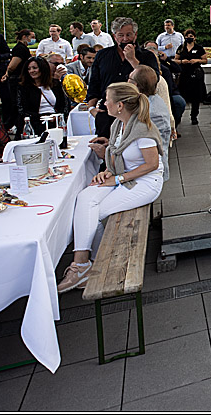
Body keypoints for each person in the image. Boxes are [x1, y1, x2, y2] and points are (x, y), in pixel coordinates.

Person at [59, 83, 164, 293]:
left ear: (120, 105)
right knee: (85, 197)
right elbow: (117, 153)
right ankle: (88, 264)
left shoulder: (142, 129)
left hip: (145, 182)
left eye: (107, 99)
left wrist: (117, 179)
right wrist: (108, 170)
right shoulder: (119, 124)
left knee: (94, 212)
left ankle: (84, 265)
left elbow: (152, 165)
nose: (103, 103)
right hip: (122, 176)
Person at [86, 17, 161, 138]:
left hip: (136, 111)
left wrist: (132, 60)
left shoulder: (147, 56)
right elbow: (94, 83)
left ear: (135, 35)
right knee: (105, 148)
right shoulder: (102, 55)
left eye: (129, 35)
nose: (125, 39)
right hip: (108, 112)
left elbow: (153, 81)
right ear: (114, 36)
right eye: (121, 35)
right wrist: (91, 109)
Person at [128, 66, 172, 182]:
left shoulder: (151, 111)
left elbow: (146, 143)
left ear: (136, 84)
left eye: (129, 79)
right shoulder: (147, 101)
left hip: (149, 173)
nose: (126, 81)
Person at [17, 57, 67, 135]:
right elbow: (22, 109)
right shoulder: (24, 88)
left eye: (34, 68)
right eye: (29, 69)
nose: (31, 71)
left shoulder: (54, 84)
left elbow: (63, 104)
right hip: (35, 124)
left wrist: (57, 116)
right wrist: (41, 118)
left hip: (55, 122)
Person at [144, 42, 186, 128]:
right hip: (148, 92)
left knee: (179, 103)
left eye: (154, 49)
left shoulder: (163, 65)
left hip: (169, 91)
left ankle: (174, 124)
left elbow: (178, 69)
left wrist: (167, 59)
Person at [173, 28, 208, 126]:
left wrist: (196, 60)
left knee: (196, 97)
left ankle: (194, 116)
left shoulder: (199, 48)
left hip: (196, 74)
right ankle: (179, 117)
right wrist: (181, 62)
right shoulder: (181, 48)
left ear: (194, 38)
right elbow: (175, 60)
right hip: (184, 73)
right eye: (187, 37)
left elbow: (205, 60)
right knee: (182, 95)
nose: (189, 38)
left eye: (191, 36)